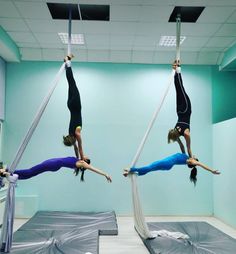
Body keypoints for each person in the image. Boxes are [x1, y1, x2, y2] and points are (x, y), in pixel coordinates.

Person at [123, 152, 220, 185]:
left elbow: (201, 164)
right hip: (168, 165)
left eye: (195, 157)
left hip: (167, 163)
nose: (194, 155)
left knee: (150, 167)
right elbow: (182, 145)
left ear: (194, 160)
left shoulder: (191, 161)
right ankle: (131, 172)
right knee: (150, 169)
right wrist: (177, 138)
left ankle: (130, 169)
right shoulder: (186, 155)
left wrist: (212, 170)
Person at [0, 158, 112, 182]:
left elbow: (93, 168)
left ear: (85, 162)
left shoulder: (82, 163)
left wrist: (105, 174)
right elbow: (78, 146)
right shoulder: (78, 159)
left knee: (30, 172)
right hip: (54, 164)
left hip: (54, 163)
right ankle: (7, 173)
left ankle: (8, 171)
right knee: (30, 174)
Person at [63, 55, 87, 161]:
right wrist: (78, 158)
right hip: (69, 105)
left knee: (72, 82)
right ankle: (67, 65)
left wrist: (82, 159)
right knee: (70, 84)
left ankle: (68, 63)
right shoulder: (70, 134)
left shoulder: (77, 133)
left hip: (76, 105)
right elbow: (76, 149)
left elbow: (80, 148)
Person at [168, 60, 193, 158]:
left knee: (181, 88)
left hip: (186, 109)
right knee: (178, 89)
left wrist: (190, 158)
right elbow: (182, 147)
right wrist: (184, 157)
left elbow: (187, 147)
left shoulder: (186, 134)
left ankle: (178, 68)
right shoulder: (174, 131)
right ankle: (176, 70)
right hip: (179, 111)